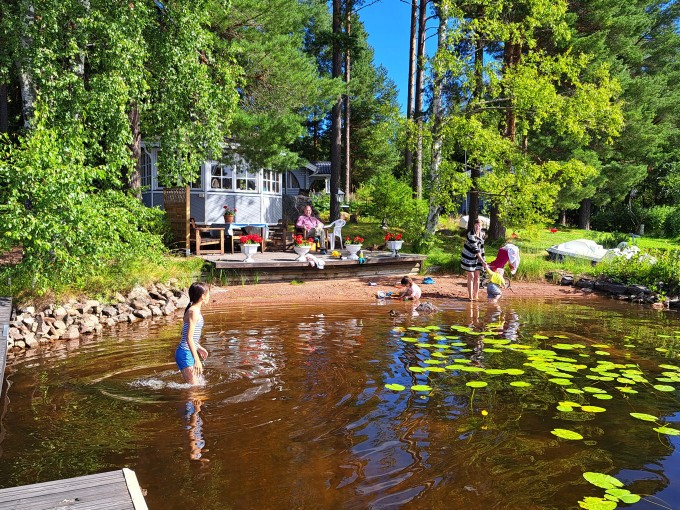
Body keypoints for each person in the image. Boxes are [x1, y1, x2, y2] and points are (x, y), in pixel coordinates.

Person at [175, 282, 210, 385]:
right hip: (185, 353)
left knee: (195, 387)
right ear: (203, 296)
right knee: (194, 390)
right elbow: (188, 338)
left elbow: (184, 333)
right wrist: (197, 360)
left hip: (187, 351)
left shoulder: (192, 310)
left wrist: (198, 347)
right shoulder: (193, 311)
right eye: (208, 294)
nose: (209, 296)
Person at [461, 218, 490, 301]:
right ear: (474, 225)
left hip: (477, 257)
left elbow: (481, 248)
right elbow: (475, 249)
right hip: (468, 257)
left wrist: (483, 259)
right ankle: (470, 296)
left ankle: (475, 296)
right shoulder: (470, 235)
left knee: (477, 277)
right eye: (476, 225)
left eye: (480, 225)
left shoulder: (482, 234)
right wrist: (482, 260)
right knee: (471, 276)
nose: (478, 227)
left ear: (482, 226)